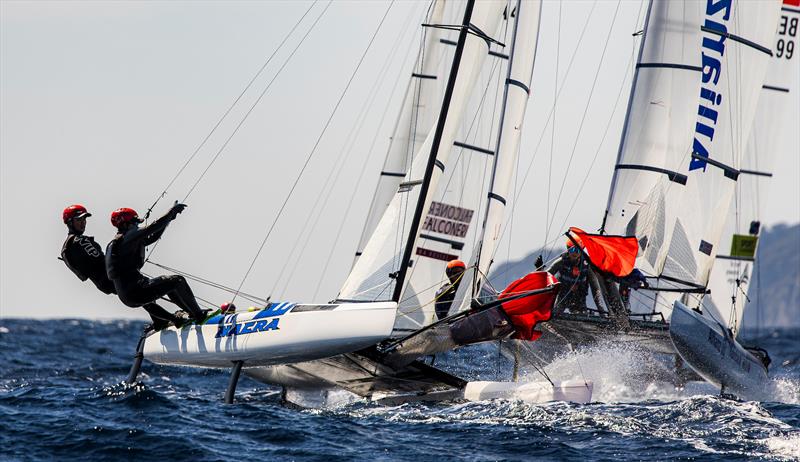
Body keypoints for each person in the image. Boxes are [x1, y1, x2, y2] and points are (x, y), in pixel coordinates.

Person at [60, 204, 185, 330]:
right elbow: (100, 261)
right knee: (145, 293)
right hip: (110, 277)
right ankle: (174, 319)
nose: (83, 223)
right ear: (69, 222)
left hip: (103, 281)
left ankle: (161, 322)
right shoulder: (80, 241)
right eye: (79, 220)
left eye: (84, 219)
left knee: (144, 298)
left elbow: (82, 274)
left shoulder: (66, 247)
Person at [105, 204, 207, 324]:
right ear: (126, 224)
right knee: (177, 281)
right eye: (136, 223)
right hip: (136, 292)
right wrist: (171, 212)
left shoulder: (120, 241)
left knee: (168, 284)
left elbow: (153, 236)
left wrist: (169, 219)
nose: (138, 226)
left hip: (128, 296)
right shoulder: (128, 237)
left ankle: (190, 314)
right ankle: (199, 316)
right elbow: (154, 226)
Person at [547, 238, 590, 314]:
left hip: (579, 297)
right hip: (563, 295)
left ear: (582, 251)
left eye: (577, 250)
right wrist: (539, 268)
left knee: (582, 313)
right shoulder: (561, 262)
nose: (575, 253)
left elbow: (596, 289)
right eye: (572, 250)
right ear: (567, 250)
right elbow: (545, 276)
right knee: (557, 312)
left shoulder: (587, 265)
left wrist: (601, 310)